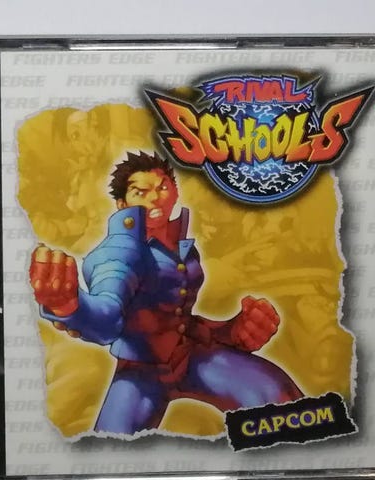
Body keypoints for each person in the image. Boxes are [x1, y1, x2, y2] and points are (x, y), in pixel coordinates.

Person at [29, 151, 303, 435]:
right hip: (140, 373)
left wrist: (231, 331)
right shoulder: (118, 252)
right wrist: (69, 307)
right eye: (140, 192)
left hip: (191, 358)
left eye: (162, 187)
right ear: (122, 204)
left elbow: (179, 319)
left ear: (174, 191)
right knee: (111, 445)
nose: (155, 198)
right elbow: (107, 316)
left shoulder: (182, 248)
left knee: (280, 400)